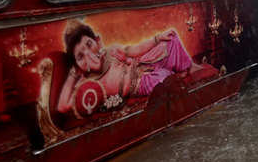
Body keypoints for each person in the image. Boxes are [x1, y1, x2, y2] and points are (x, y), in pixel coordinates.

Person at [57, 20, 205, 114]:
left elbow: (134, 50)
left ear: (97, 41)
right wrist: (73, 74)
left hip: (142, 64)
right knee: (164, 79)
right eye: (80, 57)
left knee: (171, 38)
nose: (89, 55)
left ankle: (189, 68)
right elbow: (62, 106)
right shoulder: (90, 85)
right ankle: (181, 72)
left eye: (89, 45)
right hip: (143, 83)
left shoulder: (111, 51)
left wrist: (157, 39)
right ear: (76, 65)